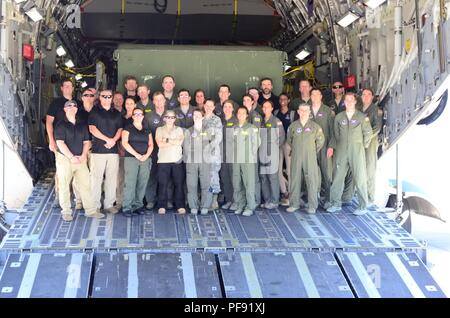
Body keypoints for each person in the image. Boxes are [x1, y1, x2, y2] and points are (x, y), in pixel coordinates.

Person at [54, 100, 104, 221]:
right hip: (65, 159)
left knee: (86, 185)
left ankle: (90, 211)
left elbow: (87, 142)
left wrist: (82, 155)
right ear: (65, 109)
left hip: (81, 159)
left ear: (77, 109)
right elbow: (60, 143)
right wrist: (71, 157)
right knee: (64, 185)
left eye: (74, 106)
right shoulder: (60, 125)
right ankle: (66, 212)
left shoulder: (82, 124)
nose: (72, 107)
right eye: (69, 106)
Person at [327, 92, 373, 216]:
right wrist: (335, 146)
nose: (348, 102)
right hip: (341, 150)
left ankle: (363, 206)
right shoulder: (339, 117)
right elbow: (335, 135)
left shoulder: (362, 117)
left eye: (351, 100)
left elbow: (368, 133)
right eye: (346, 100)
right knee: (338, 177)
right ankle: (335, 203)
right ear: (344, 102)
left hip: (356, 150)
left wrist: (363, 146)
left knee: (360, 177)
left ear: (355, 101)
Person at [46, 78, 81, 207]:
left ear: (73, 88)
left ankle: (74, 196)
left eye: (69, 86)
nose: (67, 88)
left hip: (76, 142)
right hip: (60, 142)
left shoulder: (78, 103)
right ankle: (59, 196)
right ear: (61, 88)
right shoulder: (56, 103)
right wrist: (51, 140)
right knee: (61, 171)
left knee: (76, 171)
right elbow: (49, 122)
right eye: (65, 86)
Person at [88, 89, 123, 214]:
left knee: (111, 179)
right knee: (96, 179)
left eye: (109, 96)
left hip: (113, 151)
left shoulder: (116, 113)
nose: (107, 98)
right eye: (104, 96)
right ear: (100, 97)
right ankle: (95, 205)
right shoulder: (94, 111)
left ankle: (109, 204)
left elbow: (120, 129)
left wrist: (113, 140)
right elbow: (92, 129)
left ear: (112, 98)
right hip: (98, 151)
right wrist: (107, 139)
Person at [286, 103, 325, 214]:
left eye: (306, 111)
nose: (303, 113)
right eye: (301, 110)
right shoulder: (293, 126)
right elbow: (290, 140)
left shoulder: (315, 127)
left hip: (310, 156)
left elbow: (320, 141)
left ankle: (312, 205)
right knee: (295, 179)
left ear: (309, 112)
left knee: (312, 180)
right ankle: (294, 204)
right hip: (296, 155)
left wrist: (312, 151)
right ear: (298, 111)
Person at [121, 107, 154, 217]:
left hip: (145, 159)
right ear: (133, 116)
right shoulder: (128, 128)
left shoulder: (146, 129)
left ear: (143, 116)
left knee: (142, 183)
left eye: (140, 114)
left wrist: (146, 156)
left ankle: (138, 206)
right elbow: (125, 143)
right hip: (131, 159)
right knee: (130, 183)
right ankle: (127, 207)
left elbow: (151, 145)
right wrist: (137, 155)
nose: (138, 116)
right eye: (136, 114)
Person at [184, 109, 215, 215]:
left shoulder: (208, 130)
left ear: (203, 117)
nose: (196, 117)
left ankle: (205, 206)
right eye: (194, 115)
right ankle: (193, 206)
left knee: (206, 183)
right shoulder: (188, 131)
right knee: (191, 184)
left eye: (198, 115)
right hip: (191, 162)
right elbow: (186, 147)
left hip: (205, 161)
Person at [155, 110, 186, 214]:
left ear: (175, 119)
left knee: (179, 184)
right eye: (168, 117)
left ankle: (180, 206)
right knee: (163, 184)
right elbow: (160, 144)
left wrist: (166, 140)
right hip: (163, 160)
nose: (170, 119)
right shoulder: (159, 129)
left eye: (172, 117)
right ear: (164, 118)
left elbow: (180, 143)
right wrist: (173, 141)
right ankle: (162, 206)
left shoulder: (179, 129)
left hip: (177, 160)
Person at [231, 106, 261, 216]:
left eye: (243, 113)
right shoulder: (234, 128)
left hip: (247, 159)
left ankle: (250, 206)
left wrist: (250, 156)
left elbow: (256, 143)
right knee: (237, 183)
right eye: (239, 113)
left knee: (249, 184)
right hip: (236, 160)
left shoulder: (252, 128)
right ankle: (240, 205)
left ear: (247, 115)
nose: (241, 115)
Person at [309, 88, 335, 206]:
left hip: (324, 146)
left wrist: (331, 146)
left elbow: (332, 130)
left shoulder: (327, 110)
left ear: (321, 96)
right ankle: (313, 198)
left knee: (326, 172)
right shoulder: (306, 110)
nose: (315, 96)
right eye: (312, 94)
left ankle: (328, 199)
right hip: (310, 146)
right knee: (312, 173)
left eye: (317, 94)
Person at [359, 88, 382, 208]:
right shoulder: (358, 109)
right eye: (364, 94)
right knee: (359, 169)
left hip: (370, 143)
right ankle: (360, 195)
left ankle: (370, 197)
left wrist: (365, 138)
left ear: (372, 97)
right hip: (359, 143)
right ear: (361, 97)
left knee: (369, 169)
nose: (366, 96)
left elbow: (377, 127)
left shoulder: (376, 110)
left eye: (369, 94)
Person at [260, 100, 285, 209]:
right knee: (264, 176)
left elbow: (281, 137)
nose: (266, 109)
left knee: (272, 176)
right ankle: (267, 200)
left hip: (272, 152)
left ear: (272, 108)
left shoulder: (276, 121)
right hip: (261, 151)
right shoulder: (261, 121)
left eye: (268, 107)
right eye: (264, 107)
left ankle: (275, 200)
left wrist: (274, 148)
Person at [145, 91, 166, 209]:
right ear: (153, 101)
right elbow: (146, 134)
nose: (159, 102)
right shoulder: (148, 116)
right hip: (152, 151)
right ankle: (150, 200)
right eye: (156, 100)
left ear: (164, 101)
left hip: (167, 152)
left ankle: (167, 200)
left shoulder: (170, 115)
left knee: (167, 177)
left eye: (161, 99)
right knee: (151, 176)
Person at [202, 99, 223, 210]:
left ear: (214, 107)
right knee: (205, 176)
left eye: (211, 106)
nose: (208, 107)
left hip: (213, 152)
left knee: (213, 176)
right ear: (204, 106)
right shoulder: (200, 119)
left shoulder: (217, 120)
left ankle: (214, 201)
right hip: (201, 154)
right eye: (207, 105)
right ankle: (206, 200)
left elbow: (218, 137)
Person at [274, 93, 294, 205]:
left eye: (285, 99)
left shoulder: (292, 113)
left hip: (289, 143)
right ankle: (284, 192)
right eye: (281, 99)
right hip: (278, 142)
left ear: (289, 100)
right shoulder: (276, 113)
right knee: (278, 168)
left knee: (290, 169)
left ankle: (292, 192)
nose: (282, 101)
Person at [117, 97, 137, 209]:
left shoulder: (138, 118)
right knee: (120, 177)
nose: (129, 105)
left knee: (132, 178)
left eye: (131, 103)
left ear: (135, 105)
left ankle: (132, 201)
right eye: (127, 103)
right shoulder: (120, 117)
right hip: (121, 151)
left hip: (134, 152)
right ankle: (120, 201)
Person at [242, 94, 262, 206]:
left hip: (252, 151)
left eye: (248, 100)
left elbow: (256, 135)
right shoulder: (240, 114)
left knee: (254, 176)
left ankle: (256, 200)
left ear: (253, 102)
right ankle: (247, 199)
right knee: (245, 176)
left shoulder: (256, 116)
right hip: (242, 151)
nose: (245, 102)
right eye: (244, 100)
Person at [220, 100, 238, 210]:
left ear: (233, 109)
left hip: (233, 155)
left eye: (229, 106)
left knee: (235, 178)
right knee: (225, 178)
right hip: (222, 154)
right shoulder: (219, 121)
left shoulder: (236, 121)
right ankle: (229, 200)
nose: (227, 108)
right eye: (225, 106)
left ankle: (237, 201)